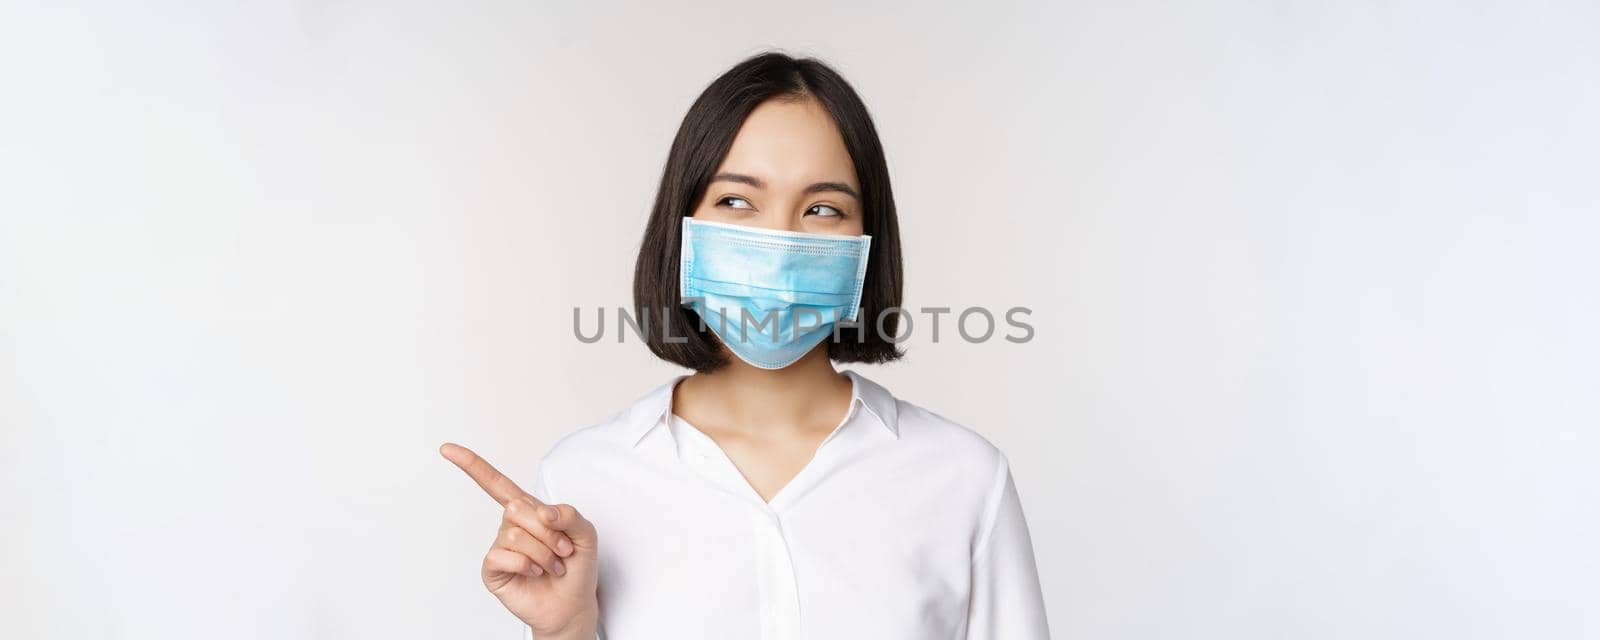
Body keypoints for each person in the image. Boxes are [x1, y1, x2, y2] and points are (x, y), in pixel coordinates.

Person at [440, 52, 1049, 639]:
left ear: (868, 241)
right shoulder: (582, 481)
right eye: (736, 201)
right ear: (683, 225)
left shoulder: (964, 479)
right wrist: (564, 633)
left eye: (822, 208)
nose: (779, 244)